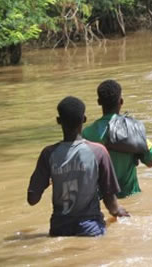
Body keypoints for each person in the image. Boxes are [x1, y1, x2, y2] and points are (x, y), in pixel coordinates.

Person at [27, 96, 129, 237]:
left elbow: (32, 199)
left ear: (58, 121)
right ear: (84, 119)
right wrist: (118, 211)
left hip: (59, 229)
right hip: (91, 228)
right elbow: (109, 198)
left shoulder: (48, 154)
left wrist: (48, 180)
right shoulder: (98, 152)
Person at [82, 80, 152, 198]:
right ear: (121, 101)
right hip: (131, 197)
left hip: (103, 199)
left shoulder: (87, 133)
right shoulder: (132, 129)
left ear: (99, 102)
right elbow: (150, 162)